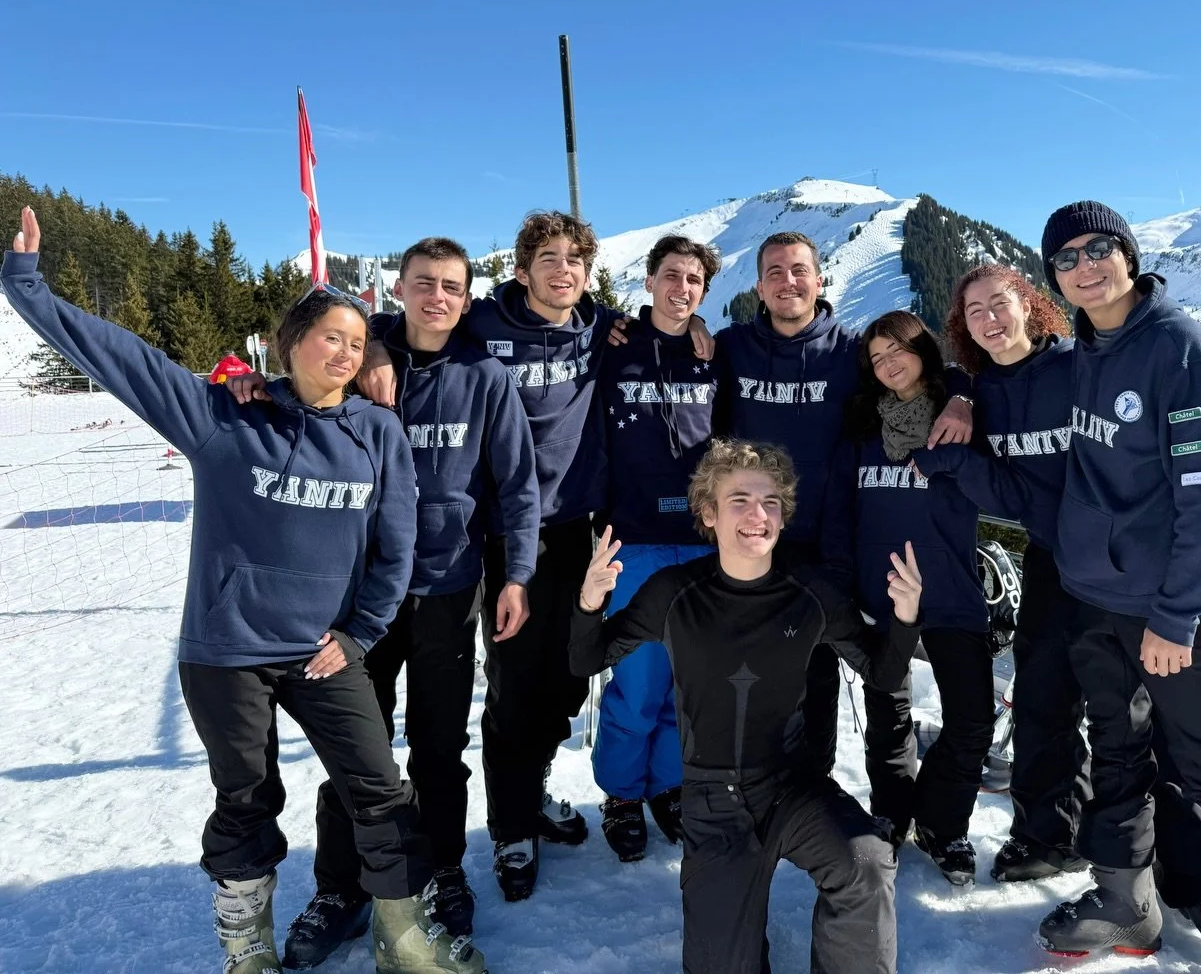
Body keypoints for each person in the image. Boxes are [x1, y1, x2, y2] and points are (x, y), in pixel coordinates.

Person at [2, 208, 485, 974]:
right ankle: (247, 947)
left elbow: (397, 549)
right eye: (330, 337)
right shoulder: (223, 416)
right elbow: (126, 359)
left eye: (357, 342)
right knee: (247, 799)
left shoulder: (376, 432)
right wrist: (28, 287)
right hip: (227, 652)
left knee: (380, 789)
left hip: (323, 651)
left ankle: (402, 938)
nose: (345, 352)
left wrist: (359, 633)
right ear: (290, 341)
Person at [355, 211, 711, 902]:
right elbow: (411, 320)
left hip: (579, 528)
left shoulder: (600, 326)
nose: (562, 270)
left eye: (575, 259)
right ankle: (512, 825)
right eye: (548, 258)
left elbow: (662, 323)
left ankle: (533, 784)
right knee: (514, 685)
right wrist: (372, 345)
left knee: (572, 675)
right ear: (521, 271)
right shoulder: (483, 320)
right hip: (500, 533)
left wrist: (694, 324)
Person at [1034, 202, 1201, 974]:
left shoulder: (1178, 346)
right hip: (1095, 598)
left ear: (1130, 256)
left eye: (1098, 249)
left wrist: (1177, 616)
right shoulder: (1085, 346)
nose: (1085, 266)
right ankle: (1127, 902)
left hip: (1169, 611)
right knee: (1117, 754)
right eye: (1066, 258)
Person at [280, 238, 541, 966]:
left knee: (438, 746)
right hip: (359, 594)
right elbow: (296, 384)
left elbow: (517, 485)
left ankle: (441, 867)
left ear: (467, 298)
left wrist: (517, 574)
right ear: (397, 289)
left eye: (451, 287)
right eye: (424, 283)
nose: (437, 297)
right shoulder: (361, 360)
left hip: (446, 588)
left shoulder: (485, 378)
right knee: (353, 748)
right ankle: (341, 886)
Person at [570, 440, 923, 974]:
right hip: (713, 803)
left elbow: (883, 673)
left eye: (770, 502)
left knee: (866, 861)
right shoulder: (673, 593)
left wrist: (905, 619)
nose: (758, 515)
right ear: (709, 513)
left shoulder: (811, 592)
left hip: (793, 787)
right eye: (739, 500)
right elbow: (587, 659)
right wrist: (589, 603)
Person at [711, 232, 972, 780]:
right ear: (758, 287)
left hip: (823, 549)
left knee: (815, 682)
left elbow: (919, 368)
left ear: (819, 279)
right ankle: (745, 791)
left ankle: (813, 794)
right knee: (740, 678)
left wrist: (962, 395)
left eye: (799, 270)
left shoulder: (848, 351)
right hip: (749, 548)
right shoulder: (731, 347)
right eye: (775, 272)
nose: (788, 281)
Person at [913, 264, 1091, 884]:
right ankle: (1047, 838)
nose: (989, 319)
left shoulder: (1080, 366)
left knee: (1130, 716)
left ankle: (1151, 858)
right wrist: (961, 401)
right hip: (1049, 560)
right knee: (1042, 703)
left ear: (1028, 304)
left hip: (1119, 563)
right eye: (974, 312)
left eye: (999, 303)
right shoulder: (982, 390)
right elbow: (1008, 493)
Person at [838, 311, 991, 885]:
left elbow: (980, 384)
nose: (888, 364)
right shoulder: (861, 428)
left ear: (922, 349)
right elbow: (842, 510)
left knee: (972, 720)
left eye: (896, 350)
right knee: (888, 717)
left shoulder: (960, 420)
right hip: (881, 596)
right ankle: (892, 816)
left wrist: (963, 398)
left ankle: (941, 823)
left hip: (951, 592)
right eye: (876, 358)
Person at [591, 235, 722, 862]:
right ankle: (621, 794)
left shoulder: (712, 355)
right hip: (634, 538)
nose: (682, 288)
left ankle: (669, 785)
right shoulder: (611, 344)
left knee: (686, 682)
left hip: (699, 542)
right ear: (648, 281)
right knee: (638, 681)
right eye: (672, 275)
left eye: (694, 280)